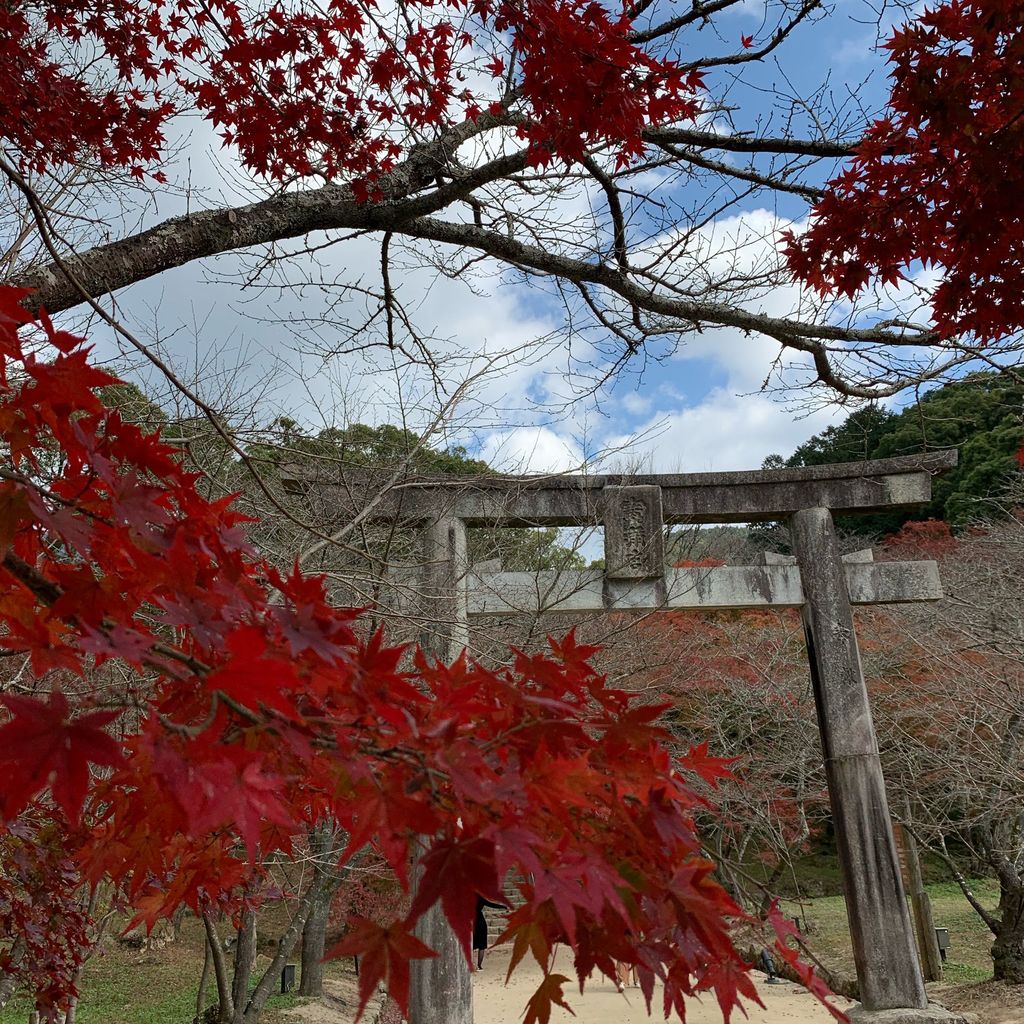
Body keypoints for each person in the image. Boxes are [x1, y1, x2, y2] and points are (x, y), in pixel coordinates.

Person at [473, 894, 508, 971]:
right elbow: (491, 904)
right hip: (480, 921)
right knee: (481, 945)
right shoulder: (479, 897)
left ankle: (471, 964)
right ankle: (479, 966)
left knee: (471, 944)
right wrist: (503, 906)